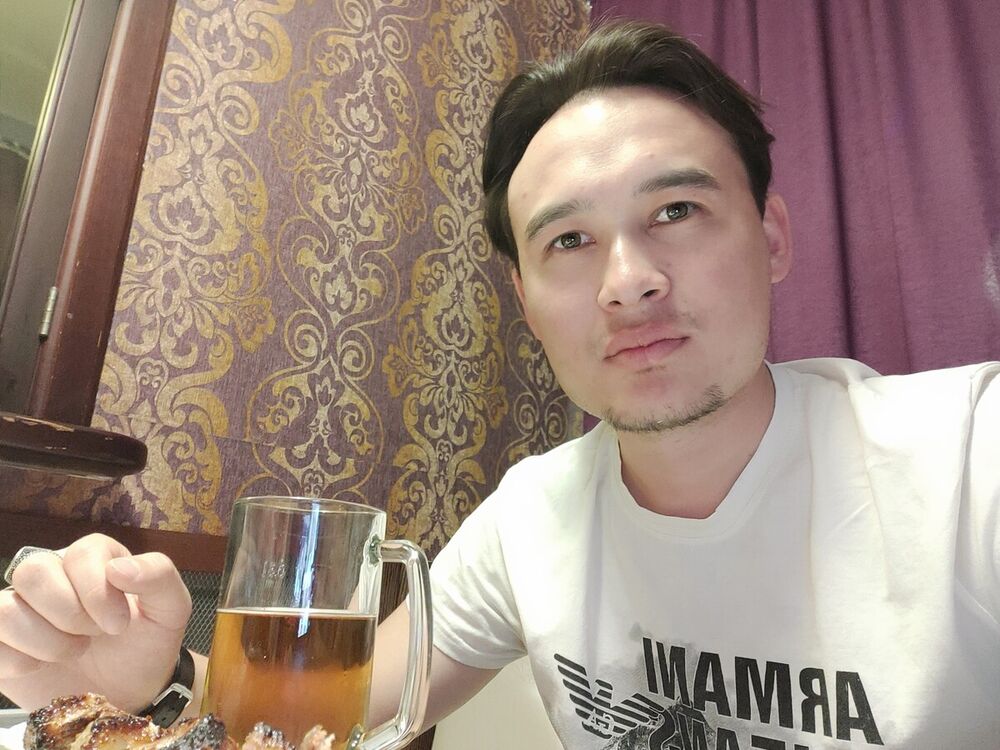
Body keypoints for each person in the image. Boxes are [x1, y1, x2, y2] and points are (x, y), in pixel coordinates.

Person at [1, 19, 998, 749]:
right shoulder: (534, 516)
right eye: (568, 240)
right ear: (522, 297)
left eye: (676, 212)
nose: (628, 281)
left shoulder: (965, 457)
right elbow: (339, 714)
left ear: (772, 237)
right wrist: (152, 680)